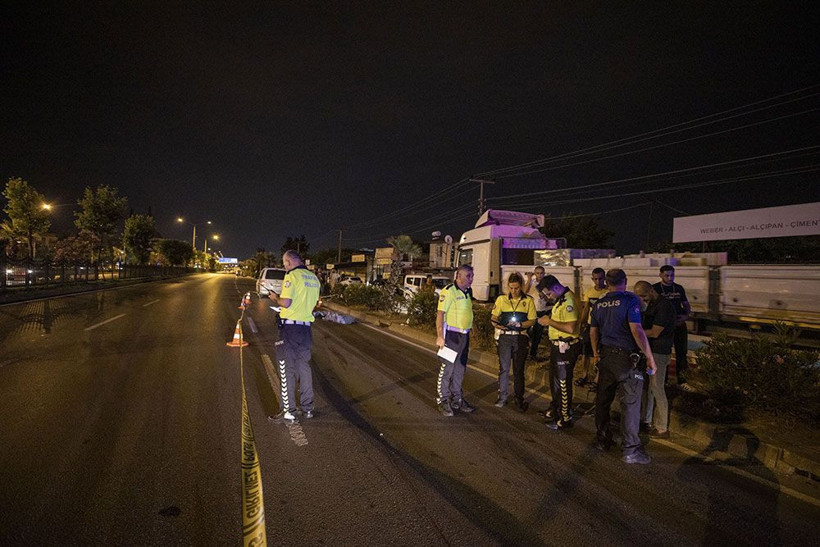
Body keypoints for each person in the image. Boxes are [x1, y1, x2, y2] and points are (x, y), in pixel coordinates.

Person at [590, 268, 657, 464]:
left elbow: (593, 332)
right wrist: (650, 358)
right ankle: (630, 449)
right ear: (625, 281)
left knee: (603, 400)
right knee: (630, 405)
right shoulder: (630, 301)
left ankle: (602, 440)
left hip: (606, 357)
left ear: (606, 283)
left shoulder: (599, 303)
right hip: (626, 360)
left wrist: (595, 354)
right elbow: (637, 330)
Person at [267, 250, 322, 424]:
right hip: (305, 329)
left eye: (284, 263)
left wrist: (276, 298)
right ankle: (308, 409)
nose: (284, 266)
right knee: (304, 368)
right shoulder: (313, 278)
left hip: (290, 330)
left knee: (286, 369)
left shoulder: (292, 276)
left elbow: (287, 302)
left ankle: (288, 412)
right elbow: (312, 304)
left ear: (290, 262)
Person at [536, 274, 581, 430]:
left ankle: (566, 417)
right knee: (554, 381)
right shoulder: (560, 300)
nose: (548, 297)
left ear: (556, 287)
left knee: (563, 383)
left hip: (566, 347)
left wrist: (549, 321)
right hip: (557, 346)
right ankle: (555, 410)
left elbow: (570, 328)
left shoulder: (569, 301)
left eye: (549, 293)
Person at [633, 281, 677, 439]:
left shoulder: (664, 307)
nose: (642, 299)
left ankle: (662, 428)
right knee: (648, 388)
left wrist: (635, 333)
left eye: (644, 296)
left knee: (657, 388)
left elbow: (655, 332)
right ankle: (647, 421)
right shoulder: (651, 304)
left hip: (659, 352)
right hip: (651, 351)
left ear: (651, 291)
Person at [491, 272, 537, 412]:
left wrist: (521, 325)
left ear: (521, 286)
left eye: (516, 288)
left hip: (520, 337)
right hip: (505, 337)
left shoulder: (528, 300)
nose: (513, 291)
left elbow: (532, 320)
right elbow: (493, 316)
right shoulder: (501, 299)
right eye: (511, 288)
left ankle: (519, 399)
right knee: (504, 369)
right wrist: (496, 324)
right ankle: (502, 397)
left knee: (518, 370)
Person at [435, 265, 476, 416]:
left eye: (472, 276)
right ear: (458, 276)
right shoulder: (449, 291)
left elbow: (467, 312)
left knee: (460, 369)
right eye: (468, 276)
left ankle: (457, 398)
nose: (471, 279)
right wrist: (440, 335)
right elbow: (440, 314)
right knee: (447, 369)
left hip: (464, 337)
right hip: (451, 336)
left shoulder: (467, 292)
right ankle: (443, 400)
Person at [652, 265, 693, 391]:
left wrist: (685, 316)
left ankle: (682, 381)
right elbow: (652, 307)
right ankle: (663, 381)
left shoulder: (679, 288)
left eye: (672, 275)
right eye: (667, 275)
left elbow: (686, 305)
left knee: (682, 353)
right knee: (663, 354)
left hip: (679, 325)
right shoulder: (656, 288)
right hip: (664, 327)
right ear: (660, 275)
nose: (670, 278)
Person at [575, 267, 608, 390]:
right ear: (592, 279)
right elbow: (586, 308)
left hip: (603, 327)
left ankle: (597, 379)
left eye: (600, 279)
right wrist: (582, 323)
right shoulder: (589, 292)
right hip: (590, 325)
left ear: (604, 278)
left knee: (600, 352)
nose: (598, 282)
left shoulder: (608, 292)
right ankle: (584, 375)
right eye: (595, 279)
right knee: (585, 352)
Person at [524, 266, 550, 361]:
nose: (539, 275)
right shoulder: (532, 283)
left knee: (537, 335)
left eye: (541, 273)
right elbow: (524, 291)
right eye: (537, 273)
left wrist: (544, 296)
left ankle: (533, 354)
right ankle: (525, 351)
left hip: (541, 311)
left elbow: (549, 299)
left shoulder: (546, 285)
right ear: (535, 273)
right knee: (528, 332)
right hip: (531, 312)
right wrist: (529, 279)